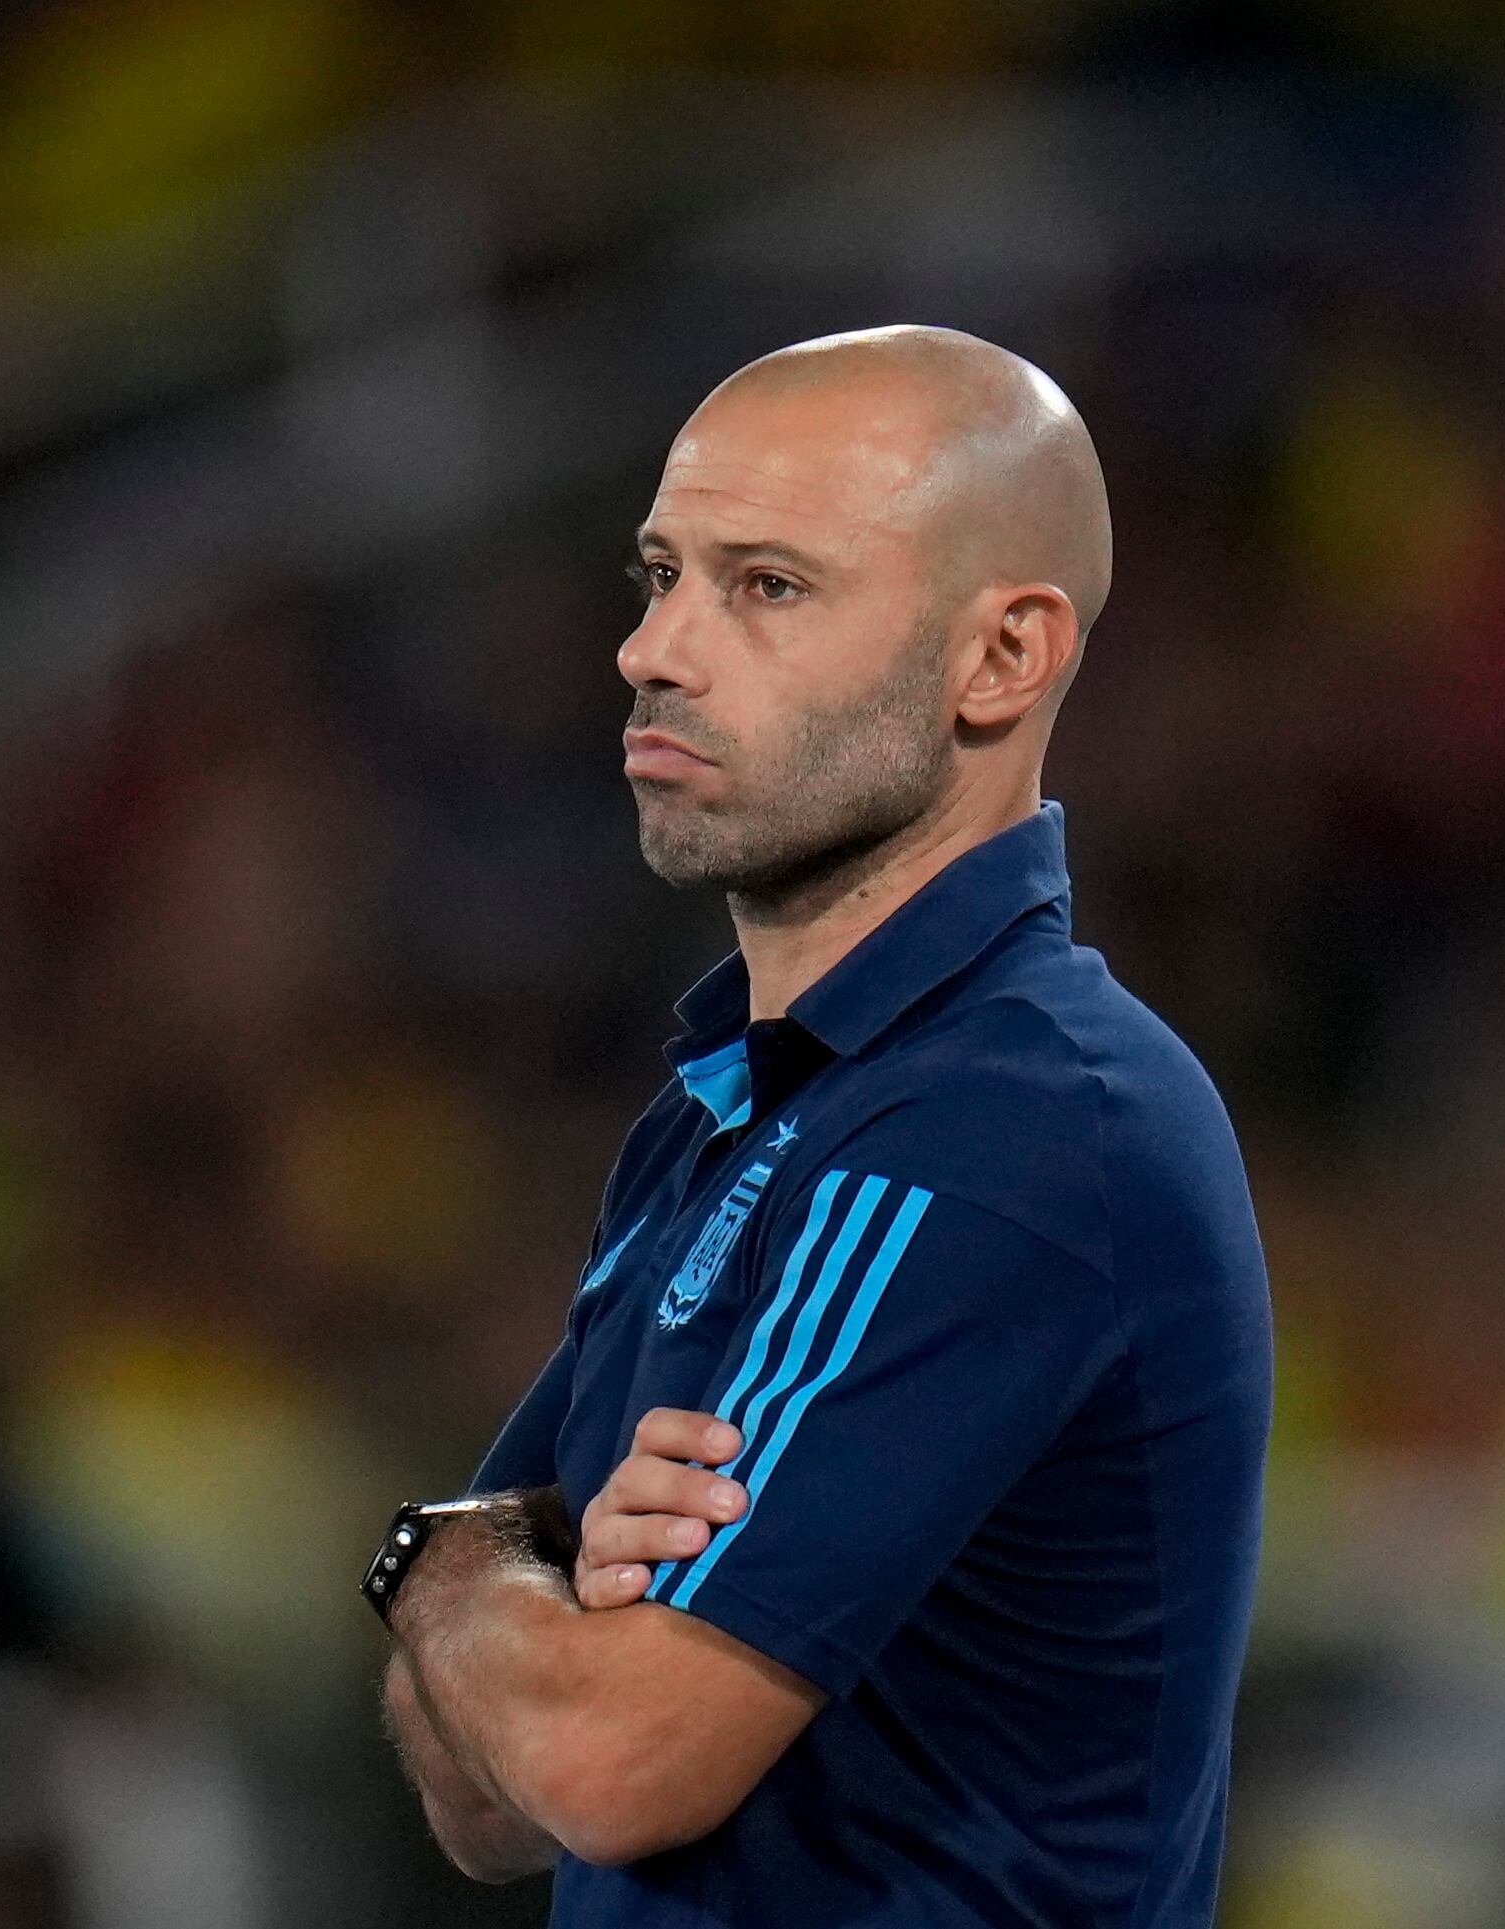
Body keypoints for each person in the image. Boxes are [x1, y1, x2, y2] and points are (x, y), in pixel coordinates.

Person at [364, 326, 1272, 1927]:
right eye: (659, 576)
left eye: (766, 587)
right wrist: (521, 1594)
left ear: (1001, 657)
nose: (655, 648)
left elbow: (605, 1763)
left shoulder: (1019, 1120)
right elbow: (467, 1790)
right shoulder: (727, 1112)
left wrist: (455, 1568)